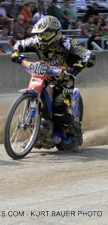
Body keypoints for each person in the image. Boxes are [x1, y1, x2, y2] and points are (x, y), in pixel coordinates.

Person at [11, 15, 96, 151]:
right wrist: (16, 54)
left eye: (46, 34)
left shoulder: (67, 43)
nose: (42, 38)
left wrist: (78, 67)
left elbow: (90, 56)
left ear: (56, 33)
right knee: (35, 99)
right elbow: (18, 45)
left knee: (60, 113)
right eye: (40, 34)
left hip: (64, 80)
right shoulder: (35, 41)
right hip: (43, 77)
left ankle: (77, 132)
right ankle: (37, 133)